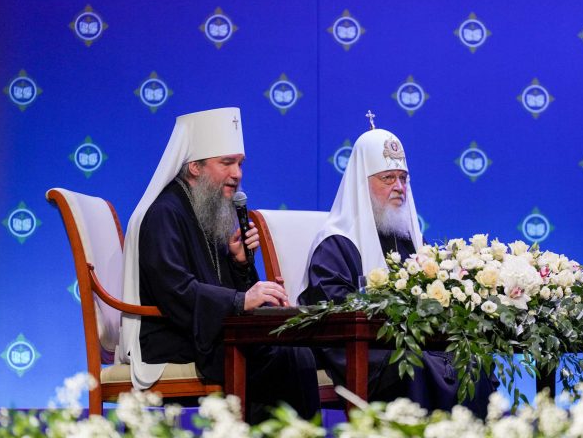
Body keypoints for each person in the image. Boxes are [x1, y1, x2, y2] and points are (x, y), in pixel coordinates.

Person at [119, 107, 319, 422]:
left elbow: (217, 286)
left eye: (240, 163)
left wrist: (238, 264)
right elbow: (175, 291)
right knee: (280, 355)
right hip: (172, 336)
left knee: (294, 348)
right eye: (226, 163)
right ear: (194, 166)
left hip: (205, 329)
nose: (237, 174)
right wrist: (240, 300)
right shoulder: (164, 213)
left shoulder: (206, 208)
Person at [298, 120, 495, 416]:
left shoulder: (409, 238)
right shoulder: (335, 243)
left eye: (403, 178)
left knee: (471, 359)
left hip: (411, 342)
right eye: (388, 178)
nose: (399, 187)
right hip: (362, 350)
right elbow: (334, 313)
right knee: (420, 365)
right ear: (362, 184)